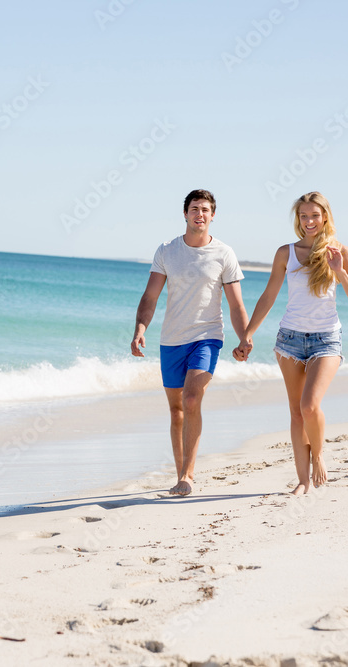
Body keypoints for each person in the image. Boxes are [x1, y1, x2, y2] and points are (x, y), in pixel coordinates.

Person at [233, 191, 348, 495]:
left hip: (326, 338)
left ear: (325, 217)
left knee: (310, 406)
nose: (308, 222)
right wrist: (247, 334)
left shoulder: (340, 252)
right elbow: (269, 296)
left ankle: (318, 455)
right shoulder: (285, 253)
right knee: (295, 412)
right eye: (303, 216)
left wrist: (340, 272)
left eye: (314, 216)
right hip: (289, 339)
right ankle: (303, 481)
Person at [131, 189, 249, 496]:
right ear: (185, 213)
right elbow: (150, 295)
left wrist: (244, 336)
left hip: (207, 337)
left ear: (212, 216)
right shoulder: (167, 251)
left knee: (192, 399)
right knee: (176, 410)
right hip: (171, 340)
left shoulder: (224, 253)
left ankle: (188, 476)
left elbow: (236, 305)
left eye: (205, 209)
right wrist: (141, 328)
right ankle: (180, 472)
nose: (200, 214)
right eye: (195, 208)